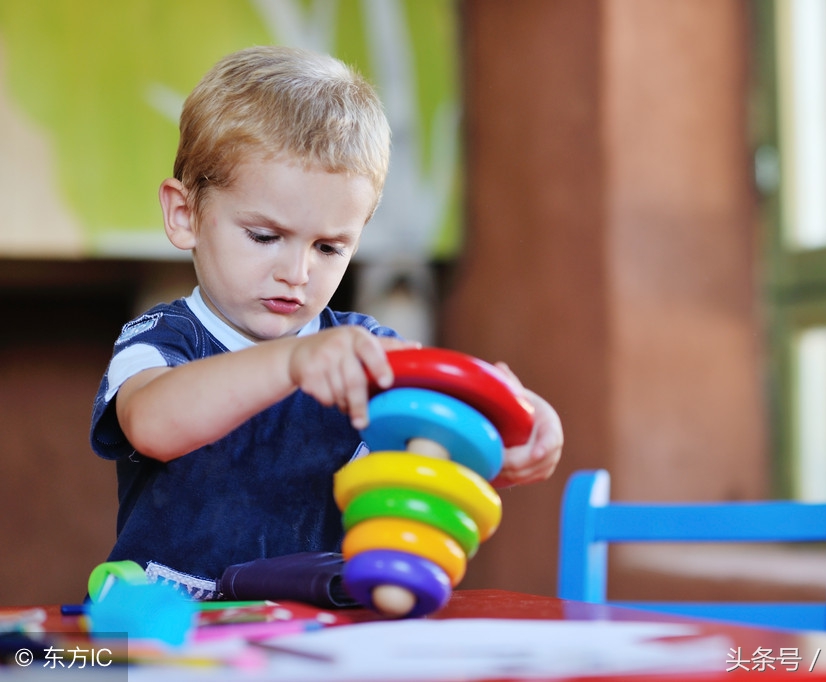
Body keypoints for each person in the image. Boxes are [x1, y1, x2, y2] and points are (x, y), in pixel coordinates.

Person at [89, 46, 563, 598]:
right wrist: (290, 362)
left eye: (329, 247)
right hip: (174, 630)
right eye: (265, 237)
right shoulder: (162, 339)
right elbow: (153, 423)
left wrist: (520, 428)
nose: (297, 272)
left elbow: (449, 417)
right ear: (184, 215)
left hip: (319, 631)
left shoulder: (365, 352)